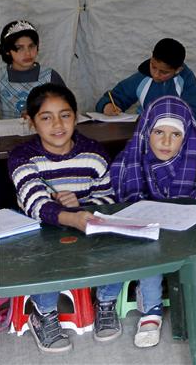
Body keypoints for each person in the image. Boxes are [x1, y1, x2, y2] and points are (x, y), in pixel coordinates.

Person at [8, 84, 122, 353]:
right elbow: (36, 204)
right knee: (45, 254)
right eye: (46, 117)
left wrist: (83, 206)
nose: (58, 125)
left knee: (117, 241)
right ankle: (44, 312)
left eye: (65, 115)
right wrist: (72, 217)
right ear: (31, 121)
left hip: (85, 226)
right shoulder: (23, 157)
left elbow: (108, 200)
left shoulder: (94, 154)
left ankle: (106, 301)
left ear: (76, 116)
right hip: (41, 235)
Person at [110, 96, 196, 347]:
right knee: (150, 250)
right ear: (146, 131)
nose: (166, 142)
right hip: (142, 239)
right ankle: (151, 309)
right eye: (158, 132)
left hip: (183, 236)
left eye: (175, 134)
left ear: (186, 137)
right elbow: (116, 213)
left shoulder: (195, 168)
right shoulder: (127, 164)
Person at [95, 38, 196, 123]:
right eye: (153, 67)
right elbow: (116, 96)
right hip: (147, 129)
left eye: (164, 72)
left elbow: (190, 112)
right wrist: (107, 105)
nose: (156, 75)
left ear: (178, 70)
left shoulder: (186, 80)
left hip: (179, 129)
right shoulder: (143, 76)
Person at [0, 20, 65, 119]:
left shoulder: (50, 76)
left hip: (43, 128)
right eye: (19, 48)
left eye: (31, 46)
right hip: (10, 129)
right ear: (7, 51)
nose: (28, 53)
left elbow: (65, 108)